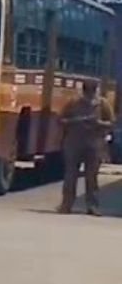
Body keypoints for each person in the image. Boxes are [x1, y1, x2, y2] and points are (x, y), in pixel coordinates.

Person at [58, 80, 114, 216]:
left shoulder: (102, 104)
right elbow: (60, 120)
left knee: (91, 177)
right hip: (74, 143)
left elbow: (111, 123)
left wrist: (98, 123)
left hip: (95, 144)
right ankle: (67, 205)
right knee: (71, 175)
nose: (90, 95)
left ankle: (92, 206)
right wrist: (78, 120)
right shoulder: (72, 103)